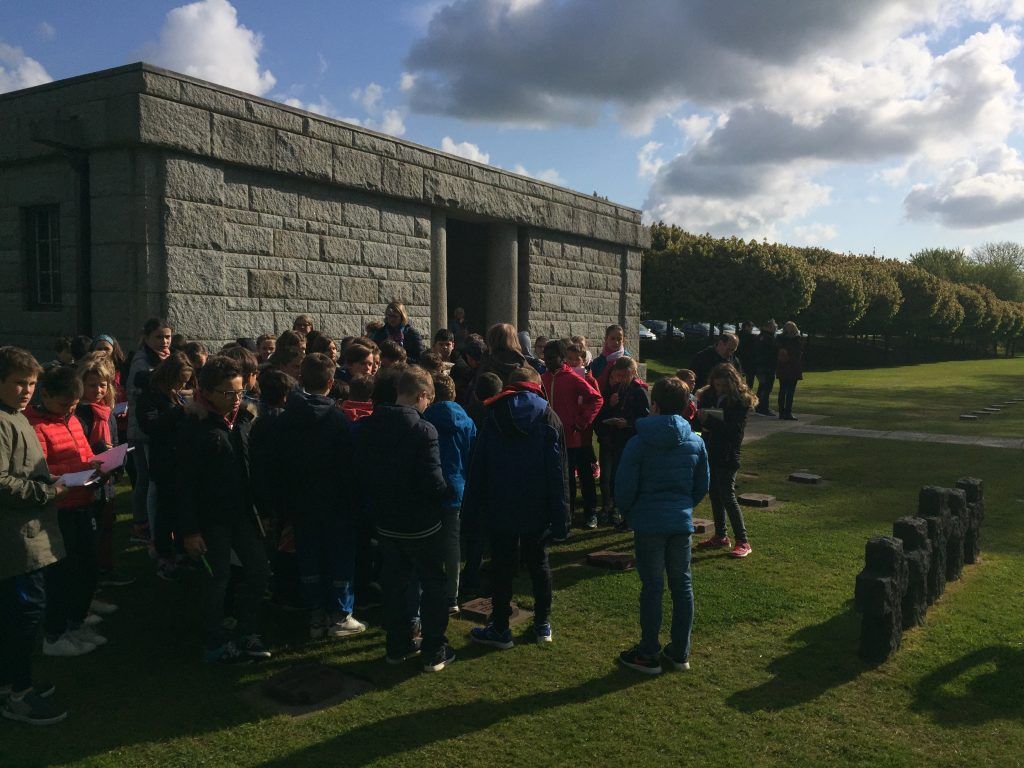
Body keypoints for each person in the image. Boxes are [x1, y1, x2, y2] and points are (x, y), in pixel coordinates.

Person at [355, 367, 455, 672]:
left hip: (386, 521)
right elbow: (433, 481)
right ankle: (433, 648)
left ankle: (397, 644)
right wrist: (448, 494)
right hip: (420, 524)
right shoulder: (423, 431)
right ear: (422, 395)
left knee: (395, 584)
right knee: (434, 584)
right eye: (427, 401)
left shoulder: (369, 425)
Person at [463, 366, 569, 649]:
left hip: (501, 501)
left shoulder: (494, 414)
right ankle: (542, 622)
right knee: (539, 564)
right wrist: (561, 517)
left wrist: (472, 509)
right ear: (536, 386)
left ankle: (500, 627)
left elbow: (479, 466)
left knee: (502, 566)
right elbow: (558, 472)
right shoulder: (549, 416)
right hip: (537, 504)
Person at [176, 357, 271, 664]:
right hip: (209, 519)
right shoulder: (193, 425)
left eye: (240, 392)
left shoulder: (243, 418)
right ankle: (214, 644)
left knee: (258, 570)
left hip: (242, 512)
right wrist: (189, 531)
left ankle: (248, 631)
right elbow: (182, 484)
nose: (236, 398)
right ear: (207, 391)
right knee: (217, 581)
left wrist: (263, 508)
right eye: (229, 393)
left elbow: (251, 467)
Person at [615, 377, 710, 675]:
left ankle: (648, 652)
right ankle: (680, 651)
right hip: (679, 521)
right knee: (682, 585)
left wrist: (629, 511)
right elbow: (701, 485)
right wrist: (683, 506)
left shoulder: (639, 441)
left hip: (650, 521)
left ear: (654, 405)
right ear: (686, 407)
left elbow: (624, 487)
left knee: (653, 587)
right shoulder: (695, 441)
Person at [0, 346, 68, 725]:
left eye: (31, 384)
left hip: (29, 535)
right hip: (14, 541)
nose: (27, 391)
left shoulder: (15, 415)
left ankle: (12, 682)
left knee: (19, 615)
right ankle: (18, 695)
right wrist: (46, 491)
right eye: (18, 383)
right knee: (23, 616)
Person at [276, 353, 365, 641]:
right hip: (336, 501)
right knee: (340, 557)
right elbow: (349, 464)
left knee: (310, 556)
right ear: (331, 382)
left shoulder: (287, 416)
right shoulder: (338, 419)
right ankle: (340, 614)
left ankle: (315, 614)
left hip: (301, 500)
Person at [28, 367, 110, 658]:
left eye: (74, 404)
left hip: (83, 501)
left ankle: (74, 622)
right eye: (64, 404)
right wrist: (81, 469)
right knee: (62, 574)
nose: (70, 409)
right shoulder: (34, 426)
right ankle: (54, 633)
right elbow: (40, 471)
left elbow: (85, 453)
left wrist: (97, 465)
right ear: (46, 395)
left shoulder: (73, 419)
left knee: (87, 566)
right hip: (58, 509)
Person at [73, 356, 132, 588]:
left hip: (106, 482)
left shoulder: (107, 413)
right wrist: (100, 452)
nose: (98, 390)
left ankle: (106, 569)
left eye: (103, 385)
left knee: (107, 528)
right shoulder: (77, 413)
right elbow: (78, 448)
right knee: (89, 533)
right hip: (86, 483)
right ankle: (89, 575)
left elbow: (116, 441)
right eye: (92, 385)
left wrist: (117, 457)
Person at [136, 353, 193, 581]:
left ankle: (180, 552)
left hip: (179, 460)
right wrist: (180, 412)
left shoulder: (175, 395)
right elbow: (151, 427)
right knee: (164, 514)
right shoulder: (150, 397)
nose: (183, 385)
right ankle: (163, 556)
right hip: (164, 462)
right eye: (180, 380)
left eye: (186, 381)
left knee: (180, 511)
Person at [422, 373, 477, 612]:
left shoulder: (425, 419)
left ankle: (429, 590)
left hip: (431, 487)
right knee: (452, 543)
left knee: (429, 542)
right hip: (457, 485)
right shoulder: (467, 421)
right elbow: (471, 454)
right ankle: (451, 595)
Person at [541, 339, 603, 529]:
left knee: (584, 477)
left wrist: (581, 422)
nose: (548, 362)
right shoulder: (543, 378)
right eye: (546, 358)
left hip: (576, 439)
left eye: (552, 358)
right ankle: (565, 516)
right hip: (553, 439)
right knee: (562, 479)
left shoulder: (573, 378)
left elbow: (596, 399)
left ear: (562, 358)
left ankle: (590, 512)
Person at [695, 363, 756, 559]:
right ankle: (720, 535)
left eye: (723, 385)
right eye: (717, 385)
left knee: (727, 495)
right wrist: (700, 418)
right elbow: (699, 423)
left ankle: (742, 540)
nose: (719, 389)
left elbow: (734, 431)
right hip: (709, 449)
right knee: (714, 493)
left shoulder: (739, 402)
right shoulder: (708, 396)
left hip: (728, 453)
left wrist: (710, 421)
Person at [125, 318, 173, 545]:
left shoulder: (163, 356)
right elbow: (138, 392)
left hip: (153, 427)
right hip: (144, 429)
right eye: (159, 337)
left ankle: (143, 523)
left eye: (167, 336)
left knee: (147, 478)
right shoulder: (142, 361)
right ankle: (143, 525)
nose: (164, 341)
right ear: (146, 338)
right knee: (148, 480)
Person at [594, 356, 650, 526]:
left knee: (620, 475)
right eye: (617, 375)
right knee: (606, 475)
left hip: (627, 439)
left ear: (632, 373)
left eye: (623, 376)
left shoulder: (639, 391)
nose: (619, 379)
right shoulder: (613, 389)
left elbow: (645, 417)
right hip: (609, 438)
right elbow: (599, 413)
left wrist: (628, 423)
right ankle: (607, 506)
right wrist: (609, 405)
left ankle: (618, 507)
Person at [776, 321, 804, 421]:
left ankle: (781, 412)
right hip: (793, 368)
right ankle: (788, 412)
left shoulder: (779, 339)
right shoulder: (797, 339)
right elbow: (798, 354)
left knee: (782, 390)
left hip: (782, 367)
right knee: (790, 391)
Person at [589, 325, 629, 392]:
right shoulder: (598, 362)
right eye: (612, 338)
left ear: (623, 340)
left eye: (619, 339)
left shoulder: (627, 360)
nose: (616, 342)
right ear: (606, 339)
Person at [754, 321, 778, 417]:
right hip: (767, 366)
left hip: (761, 366)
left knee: (762, 387)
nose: (776, 327)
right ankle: (763, 408)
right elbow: (771, 353)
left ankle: (760, 406)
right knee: (766, 388)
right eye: (774, 325)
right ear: (768, 327)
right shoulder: (769, 338)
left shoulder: (760, 337)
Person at [737, 321, 757, 388]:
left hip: (739, 358)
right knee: (749, 381)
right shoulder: (751, 337)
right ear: (746, 327)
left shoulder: (737, 335)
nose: (752, 328)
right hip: (749, 360)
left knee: (738, 379)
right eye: (751, 327)